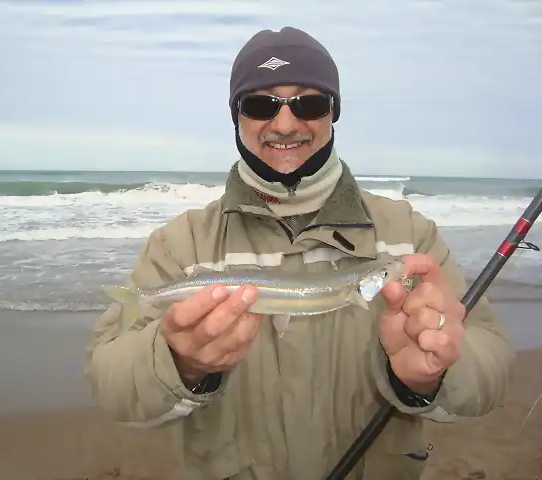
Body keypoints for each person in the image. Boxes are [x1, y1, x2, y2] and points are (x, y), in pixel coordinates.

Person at [85, 26, 515, 480]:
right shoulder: (181, 243)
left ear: (333, 113)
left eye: (308, 103)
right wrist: (178, 361)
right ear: (237, 117)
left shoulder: (409, 234)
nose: (286, 124)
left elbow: (491, 371)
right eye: (260, 104)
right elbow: (110, 382)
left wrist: (434, 373)